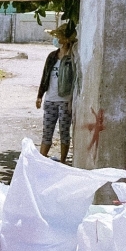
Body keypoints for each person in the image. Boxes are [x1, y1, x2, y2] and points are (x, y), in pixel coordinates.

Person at [36, 22, 77, 163]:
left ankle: (63, 161)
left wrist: (72, 101)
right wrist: (40, 96)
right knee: (47, 131)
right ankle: (41, 160)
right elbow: (45, 76)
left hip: (65, 101)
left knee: (65, 133)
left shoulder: (73, 58)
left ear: (66, 40)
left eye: (59, 37)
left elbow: (76, 80)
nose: (57, 40)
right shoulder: (52, 56)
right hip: (50, 100)